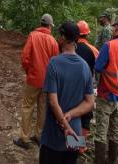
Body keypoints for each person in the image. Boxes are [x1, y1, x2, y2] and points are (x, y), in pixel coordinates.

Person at [40, 21, 95, 164]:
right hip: (75, 135)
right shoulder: (84, 66)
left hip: (54, 135)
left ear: (63, 38)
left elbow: (53, 102)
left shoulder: (54, 63)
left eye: (60, 35)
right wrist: (71, 115)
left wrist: (65, 125)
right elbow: (90, 102)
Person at [14, 14, 59, 149]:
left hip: (33, 79)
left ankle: (25, 138)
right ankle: (39, 136)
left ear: (41, 23)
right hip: (47, 82)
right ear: (50, 26)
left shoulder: (33, 36)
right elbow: (56, 63)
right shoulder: (53, 41)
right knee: (43, 108)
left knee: (27, 106)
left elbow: (25, 58)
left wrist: (29, 72)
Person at [94, 19, 118, 164]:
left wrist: (107, 72)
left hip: (106, 94)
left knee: (101, 131)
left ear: (116, 29)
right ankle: (113, 159)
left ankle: (99, 161)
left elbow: (98, 67)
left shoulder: (109, 46)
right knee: (115, 130)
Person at [75, 20, 99, 153]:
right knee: (86, 115)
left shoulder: (71, 47)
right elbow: (100, 67)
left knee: (72, 113)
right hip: (86, 87)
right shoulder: (93, 50)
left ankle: (72, 143)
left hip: (72, 86)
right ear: (87, 34)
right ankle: (80, 146)